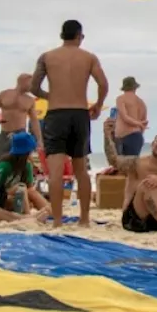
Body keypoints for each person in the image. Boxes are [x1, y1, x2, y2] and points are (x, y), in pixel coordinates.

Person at [31, 19, 107, 228]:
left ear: (61, 35)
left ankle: (57, 221)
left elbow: (33, 86)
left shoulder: (47, 57)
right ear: (79, 36)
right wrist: (98, 105)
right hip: (80, 113)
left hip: (56, 113)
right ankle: (84, 219)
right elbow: (103, 84)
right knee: (81, 169)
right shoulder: (89, 57)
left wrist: (51, 95)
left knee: (55, 171)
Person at [0, 73, 44, 159]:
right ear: (23, 81)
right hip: (4, 134)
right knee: (2, 160)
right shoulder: (4, 94)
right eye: (31, 82)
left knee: (21, 162)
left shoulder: (30, 100)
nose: (33, 85)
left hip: (21, 133)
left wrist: (39, 139)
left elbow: (34, 121)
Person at [0, 131, 48, 215]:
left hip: (18, 198)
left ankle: (52, 212)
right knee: (21, 187)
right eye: (30, 152)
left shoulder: (27, 166)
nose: (32, 155)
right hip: (0, 198)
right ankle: (28, 216)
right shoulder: (4, 166)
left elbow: (29, 189)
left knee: (30, 191)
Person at [115, 76, 149, 156]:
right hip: (136, 136)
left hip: (122, 136)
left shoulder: (120, 99)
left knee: (119, 166)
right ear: (135, 87)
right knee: (132, 166)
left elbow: (124, 117)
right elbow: (144, 122)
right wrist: (139, 125)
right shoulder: (141, 102)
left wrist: (138, 124)